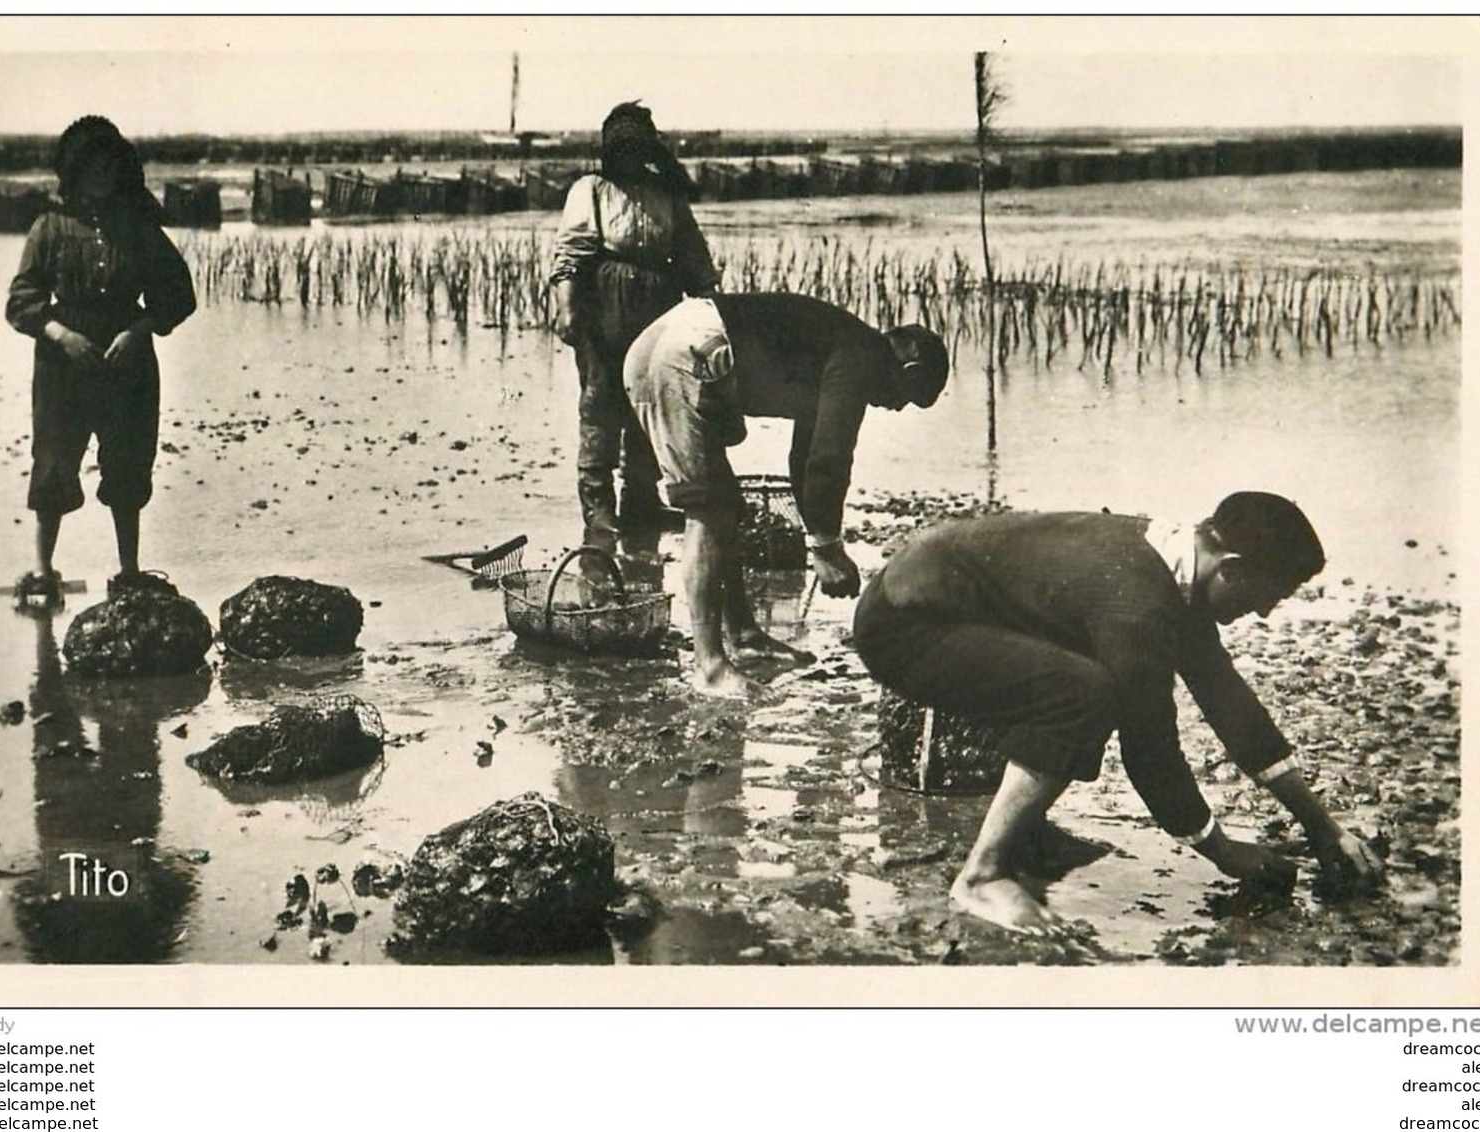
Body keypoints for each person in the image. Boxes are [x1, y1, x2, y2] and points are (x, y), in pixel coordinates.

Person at [851, 492, 1387, 932]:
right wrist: (1222, 851)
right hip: (904, 625)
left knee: (1081, 671)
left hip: (950, 601)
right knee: (1084, 691)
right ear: (1233, 568)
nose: (1266, 611)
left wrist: (1322, 826)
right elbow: (1150, 749)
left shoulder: (1176, 568)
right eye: (1270, 594)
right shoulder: (1139, 603)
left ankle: (1028, 834)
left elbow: (1230, 703)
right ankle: (983, 877)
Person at [624, 292, 949, 697]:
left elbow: (806, 456)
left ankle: (742, 634)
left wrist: (821, 537)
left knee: (723, 506)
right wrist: (826, 549)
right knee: (706, 512)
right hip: (685, 354)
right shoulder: (863, 354)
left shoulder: (837, 347)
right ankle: (708, 668)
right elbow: (830, 457)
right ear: (909, 366)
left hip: (673, 340)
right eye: (911, 395)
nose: (899, 408)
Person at [5, 115, 197, 605]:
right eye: (91, 165)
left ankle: (128, 571)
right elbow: (22, 300)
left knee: (130, 462)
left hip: (127, 363)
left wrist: (139, 330)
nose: (101, 174)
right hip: (63, 366)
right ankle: (43, 570)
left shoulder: (139, 227)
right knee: (53, 461)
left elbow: (177, 294)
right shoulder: (48, 227)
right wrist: (61, 335)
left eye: (109, 165)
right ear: (72, 170)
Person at [548, 102, 719, 536]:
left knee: (650, 401)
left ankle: (641, 503)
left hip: (658, 305)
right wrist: (567, 309)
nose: (629, 158)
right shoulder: (590, 190)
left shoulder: (666, 193)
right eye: (621, 150)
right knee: (601, 403)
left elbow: (692, 252)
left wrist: (711, 300)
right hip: (604, 304)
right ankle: (599, 510)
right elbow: (571, 254)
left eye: (636, 149)